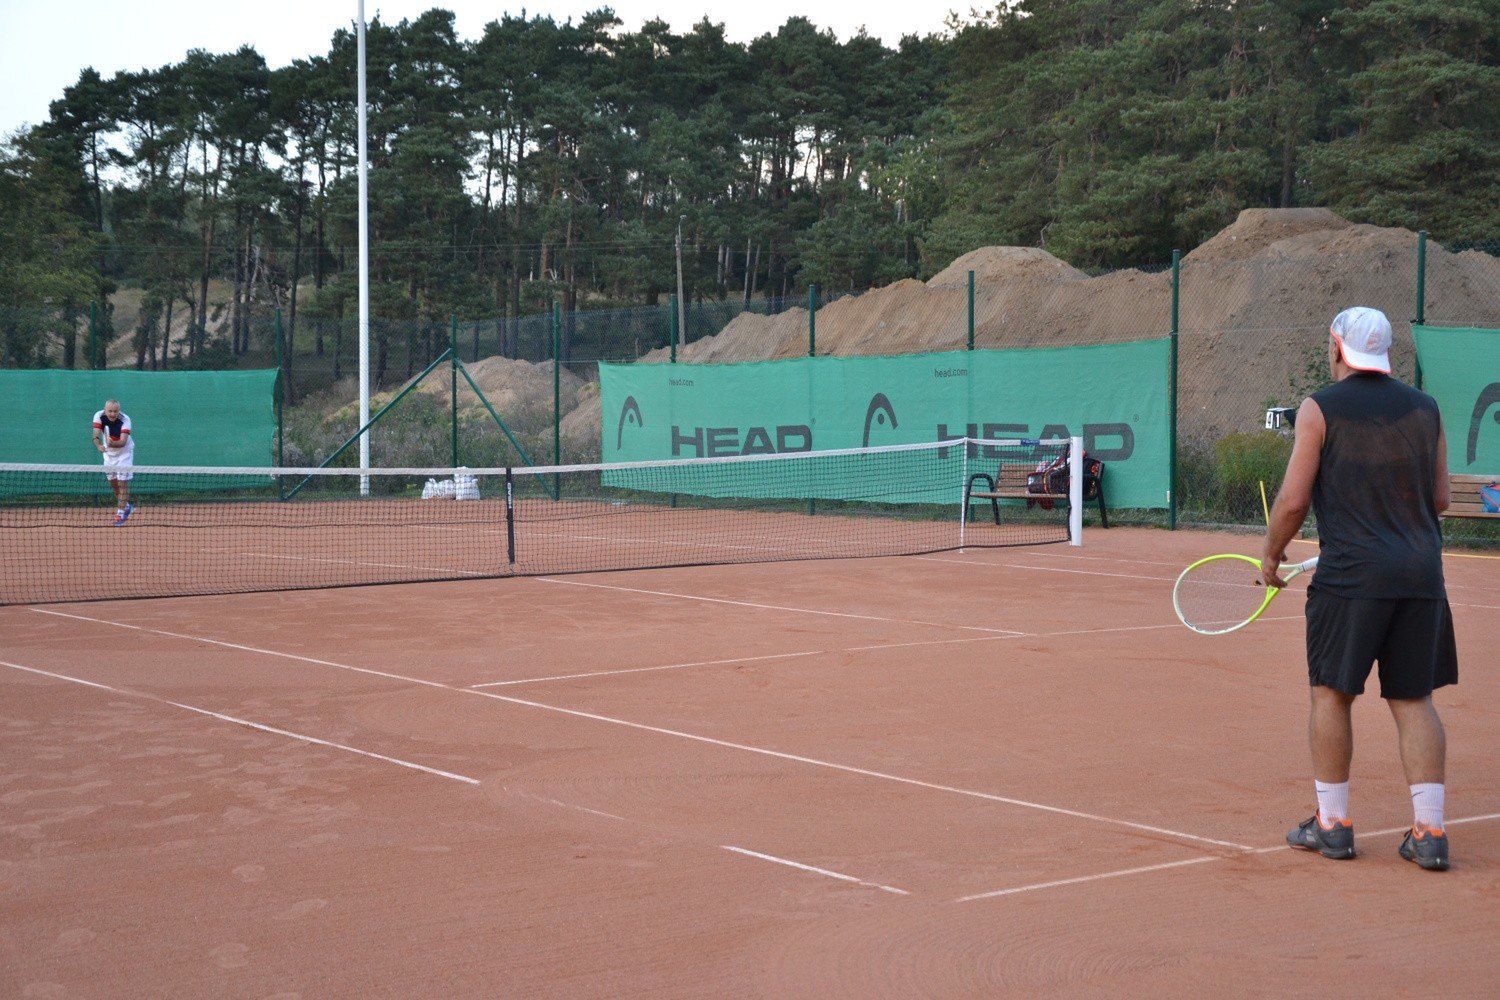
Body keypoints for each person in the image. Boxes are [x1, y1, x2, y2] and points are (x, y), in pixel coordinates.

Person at [1262, 306, 1457, 871]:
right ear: (1387, 352)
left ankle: (1333, 826)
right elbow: (1440, 499)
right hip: (1422, 574)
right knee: (1413, 699)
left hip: (1351, 577)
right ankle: (1430, 833)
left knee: (1331, 693)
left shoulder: (1319, 407)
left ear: (1336, 348)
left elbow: (1295, 501)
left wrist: (1272, 554)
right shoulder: (1427, 408)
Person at [92, 399, 135, 525]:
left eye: (115, 411)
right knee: (113, 482)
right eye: (110, 411)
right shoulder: (98, 416)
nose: (112, 414)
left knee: (123, 483)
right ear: (105, 410)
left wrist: (112, 443)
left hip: (124, 453)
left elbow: (122, 442)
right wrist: (99, 445)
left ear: (119, 411)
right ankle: (127, 506)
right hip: (108, 454)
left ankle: (120, 513)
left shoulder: (125, 420)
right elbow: (95, 436)